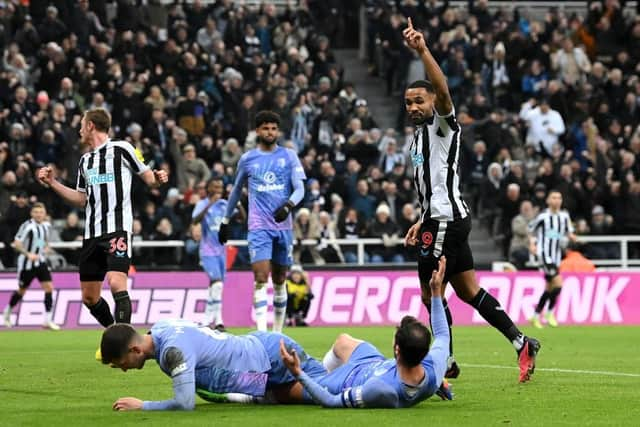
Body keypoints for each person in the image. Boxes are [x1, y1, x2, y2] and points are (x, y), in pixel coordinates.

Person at [401, 18, 540, 383]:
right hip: (442, 217)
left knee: (429, 291)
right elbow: (430, 184)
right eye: (409, 102)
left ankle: (443, 362)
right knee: (466, 290)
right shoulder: (417, 140)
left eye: (420, 100)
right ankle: (521, 342)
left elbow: (444, 92)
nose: (414, 107)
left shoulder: (442, 126)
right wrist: (421, 217)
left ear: (431, 101)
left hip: (445, 221)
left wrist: (423, 50)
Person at [36, 108, 168, 357]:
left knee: (116, 281)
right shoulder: (85, 161)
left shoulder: (123, 149)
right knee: (89, 297)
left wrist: (158, 179)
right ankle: (118, 337)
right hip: (92, 234)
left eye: (81, 124)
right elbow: (81, 199)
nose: (78, 129)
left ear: (91, 126)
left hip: (117, 229)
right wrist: (53, 183)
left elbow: (149, 177)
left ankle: (125, 347)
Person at [279, 256, 451, 408]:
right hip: (375, 363)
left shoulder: (382, 390)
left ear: (397, 350)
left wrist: (298, 373)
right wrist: (435, 292)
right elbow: (443, 334)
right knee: (343, 340)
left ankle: (254, 397)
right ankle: (322, 370)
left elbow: (330, 401)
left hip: (347, 381)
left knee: (285, 392)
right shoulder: (434, 370)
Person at [100, 320, 326, 411]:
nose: (124, 369)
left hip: (270, 359)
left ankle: (348, 351)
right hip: (259, 360)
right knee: (305, 393)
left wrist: (143, 405)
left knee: (329, 389)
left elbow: (185, 403)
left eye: (122, 364)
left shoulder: (172, 352)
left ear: (136, 350)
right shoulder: (161, 328)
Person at [218, 111, 306, 332]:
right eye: (266, 128)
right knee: (260, 277)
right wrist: (225, 220)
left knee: (279, 279)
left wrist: (288, 206)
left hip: (283, 227)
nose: (270, 132)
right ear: (258, 131)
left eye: (274, 128)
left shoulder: (289, 156)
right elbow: (237, 190)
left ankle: (277, 332)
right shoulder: (248, 159)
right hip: (258, 227)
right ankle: (262, 332)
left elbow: (300, 188)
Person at [191, 177, 240, 330]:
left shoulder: (224, 204)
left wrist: (236, 200)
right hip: (207, 251)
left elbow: (242, 217)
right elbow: (195, 220)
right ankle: (217, 320)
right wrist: (210, 204)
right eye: (215, 187)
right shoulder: (202, 203)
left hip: (221, 251)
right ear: (209, 189)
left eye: (220, 188)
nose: (218, 190)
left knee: (216, 286)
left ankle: (208, 320)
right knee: (217, 283)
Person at [2, 203, 60, 330]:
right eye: (36, 212)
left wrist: (45, 247)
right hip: (27, 265)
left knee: (49, 288)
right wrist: (28, 254)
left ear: (44, 214)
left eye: (41, 212)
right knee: (22, 291)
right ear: (32, 214)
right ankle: (7, 312)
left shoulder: (46, 226)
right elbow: (16, 243)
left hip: (40, 262)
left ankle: (47, 320)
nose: (39, 214)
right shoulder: (27, 226)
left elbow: (42, 241)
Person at [528, 190, 577, 329]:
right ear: (548, 200)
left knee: (549, 288)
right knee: (559, 284)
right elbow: (531, 229)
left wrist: (572, 236)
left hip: (556, 256)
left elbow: (569, 231)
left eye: (559, 198)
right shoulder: (543, 216)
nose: (556, 200)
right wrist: (532, 244)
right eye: (554, 198)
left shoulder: (564, 216)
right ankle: (549, 313)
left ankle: (536, 316)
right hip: (544, 255)